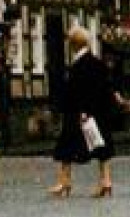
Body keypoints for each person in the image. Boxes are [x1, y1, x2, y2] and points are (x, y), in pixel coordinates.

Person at [49, 25, 123, 199]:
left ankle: (64, 182)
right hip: (98, 114)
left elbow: (82, 90)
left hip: (79, 113)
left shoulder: (80, 65)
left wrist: (84, 110)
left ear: (72, 45)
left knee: (66, 147)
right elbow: (105, 88)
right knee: (100, 147)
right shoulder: (97, 63)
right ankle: (106, 181)